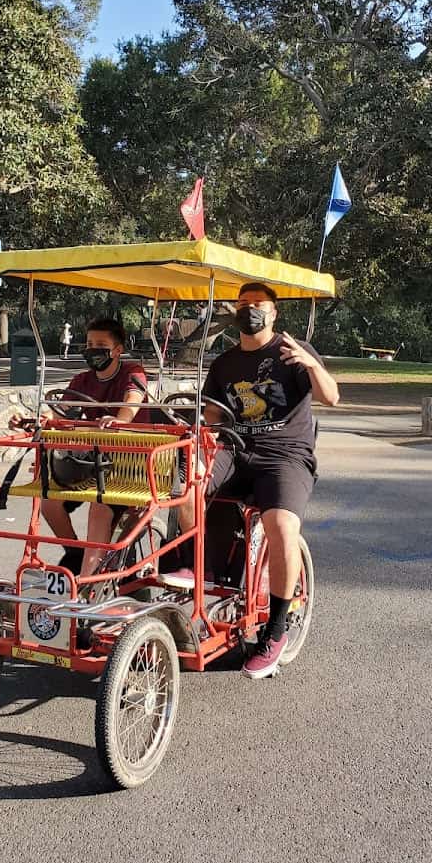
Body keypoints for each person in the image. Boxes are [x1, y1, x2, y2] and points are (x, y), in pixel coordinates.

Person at [162, 280, 339, 680]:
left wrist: (311, 365)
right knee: (186, 484)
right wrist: (197, 430)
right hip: (236, 450)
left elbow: (332, 397)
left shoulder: (291, 351)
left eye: (257, 304)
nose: (249, 309)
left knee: (280, 524)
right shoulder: (224, 363)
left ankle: (275, 633)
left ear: (273, 312)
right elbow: (213, 416)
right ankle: (200, 568)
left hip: (286, 456)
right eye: (242, 303)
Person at [41, 317, 149, 577]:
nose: (93, 349)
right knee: (48, 504)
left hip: (129, 464)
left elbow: (131, 404)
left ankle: (89, 581)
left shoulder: (133, 372)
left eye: (101, 344)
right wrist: (42, 421)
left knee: (99, 507)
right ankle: (77, 555)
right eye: (90, 343)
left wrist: (120, 420)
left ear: (117, 350)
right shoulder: (81, 380)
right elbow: (61, 414)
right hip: (89, 463)